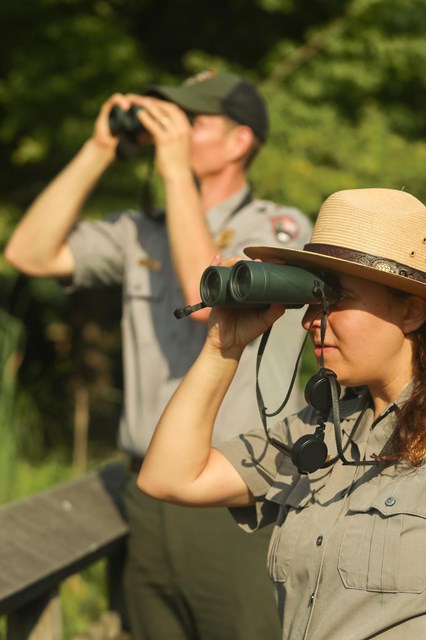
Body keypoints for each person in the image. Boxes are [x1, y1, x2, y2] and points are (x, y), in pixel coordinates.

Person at [138, 187, 426, 639]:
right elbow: (170, 477)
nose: (314, 319)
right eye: (314, 299)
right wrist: (223, 348)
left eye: (339, 299)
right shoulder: (324, 427)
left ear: (412, 312)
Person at [4, 69, 313, 639]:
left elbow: (208, 305)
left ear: (239, 141)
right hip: (146, 493)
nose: (172, 132)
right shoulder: (139, 231)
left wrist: (174, 173)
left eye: (193, 121)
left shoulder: (277, 229)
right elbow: (29, 252)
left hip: (235, 491)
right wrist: (99, 150)